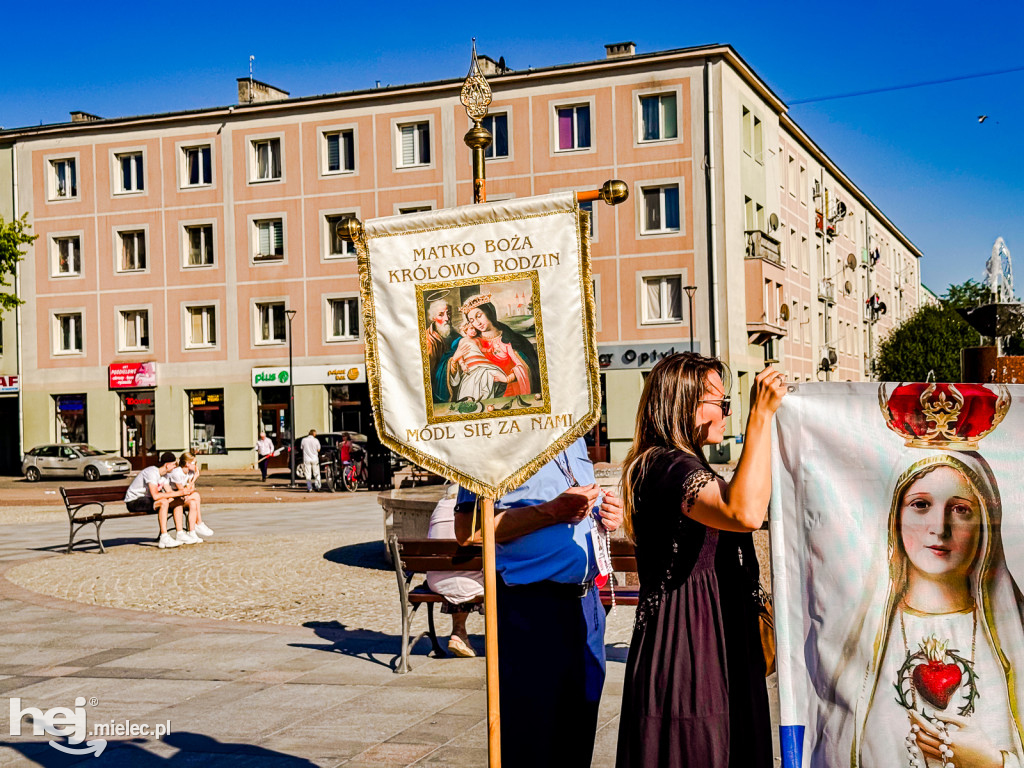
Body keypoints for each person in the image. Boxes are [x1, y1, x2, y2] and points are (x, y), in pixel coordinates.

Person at [615, 353, 786, 768]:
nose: (728, 412)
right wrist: (759, 418)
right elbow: (743, 513)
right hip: (688, 646)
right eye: (721, 404)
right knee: (699, 749)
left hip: (711, 636)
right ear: (685, 404)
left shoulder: (678, 463)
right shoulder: (667, 466)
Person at [827, 451, 1024, 768]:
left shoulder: (1012, 638)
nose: (939, 528)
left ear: (986, 522)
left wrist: (994, 762)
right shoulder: (865, 639)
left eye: (961, 509)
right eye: (921, 505)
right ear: (895, 517)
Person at [454, 437, 624, 768]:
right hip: (531, 607)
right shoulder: (485, 435)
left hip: (587, 606)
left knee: (578, 736)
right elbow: (468, 530)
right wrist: (551, 512)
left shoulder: (573, 434)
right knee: (531, 742)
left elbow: (580, 508)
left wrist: (607, 516)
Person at [437, 295, 540, 403]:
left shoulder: (513, 341)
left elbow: (527, 368)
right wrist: (454, 361)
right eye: (472, 320)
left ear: (489, 312)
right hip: (480, 398)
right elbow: (453, 373)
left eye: (479, 316)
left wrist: (508, 378)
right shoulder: (470, 342)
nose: (477, 323)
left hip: (510, 397)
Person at [426, 485, 484, 657]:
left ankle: (459, 633)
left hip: (437, 581)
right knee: (498, 576)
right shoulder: (477, 508)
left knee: (460, 574)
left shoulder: (440, 507)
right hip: (474, 583)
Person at [123, 451, 188, 549]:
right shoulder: (152, 472)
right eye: (174, 464)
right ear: (167, 465)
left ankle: (180, 534)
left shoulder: (164, 475)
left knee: (178, 502)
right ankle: (164, 537)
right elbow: (155, 496)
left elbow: (170, 492)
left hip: (147, 499)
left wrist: (181, 495)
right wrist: (179, 493)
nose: (176, 466)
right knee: (163, 502)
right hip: (134, 501)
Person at [167, 452, 214, 544]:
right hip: (173, 498)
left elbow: (191, 490)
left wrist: (191, 482)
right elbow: (183, 492)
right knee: (196, 496)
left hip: (182, 498)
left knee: (193, 501)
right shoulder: (177, 472)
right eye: (194, 463)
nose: (196, 466)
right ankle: (198, 523)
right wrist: (194, 479)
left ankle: (192, 531)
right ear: (187, 463)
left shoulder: (190, 473)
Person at [425, 296, 459, 402]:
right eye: (441, 315)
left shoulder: (452, 333)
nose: (447, 319)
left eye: (448, 314)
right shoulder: (428, 341)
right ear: (433, 318)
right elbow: (429, 376)